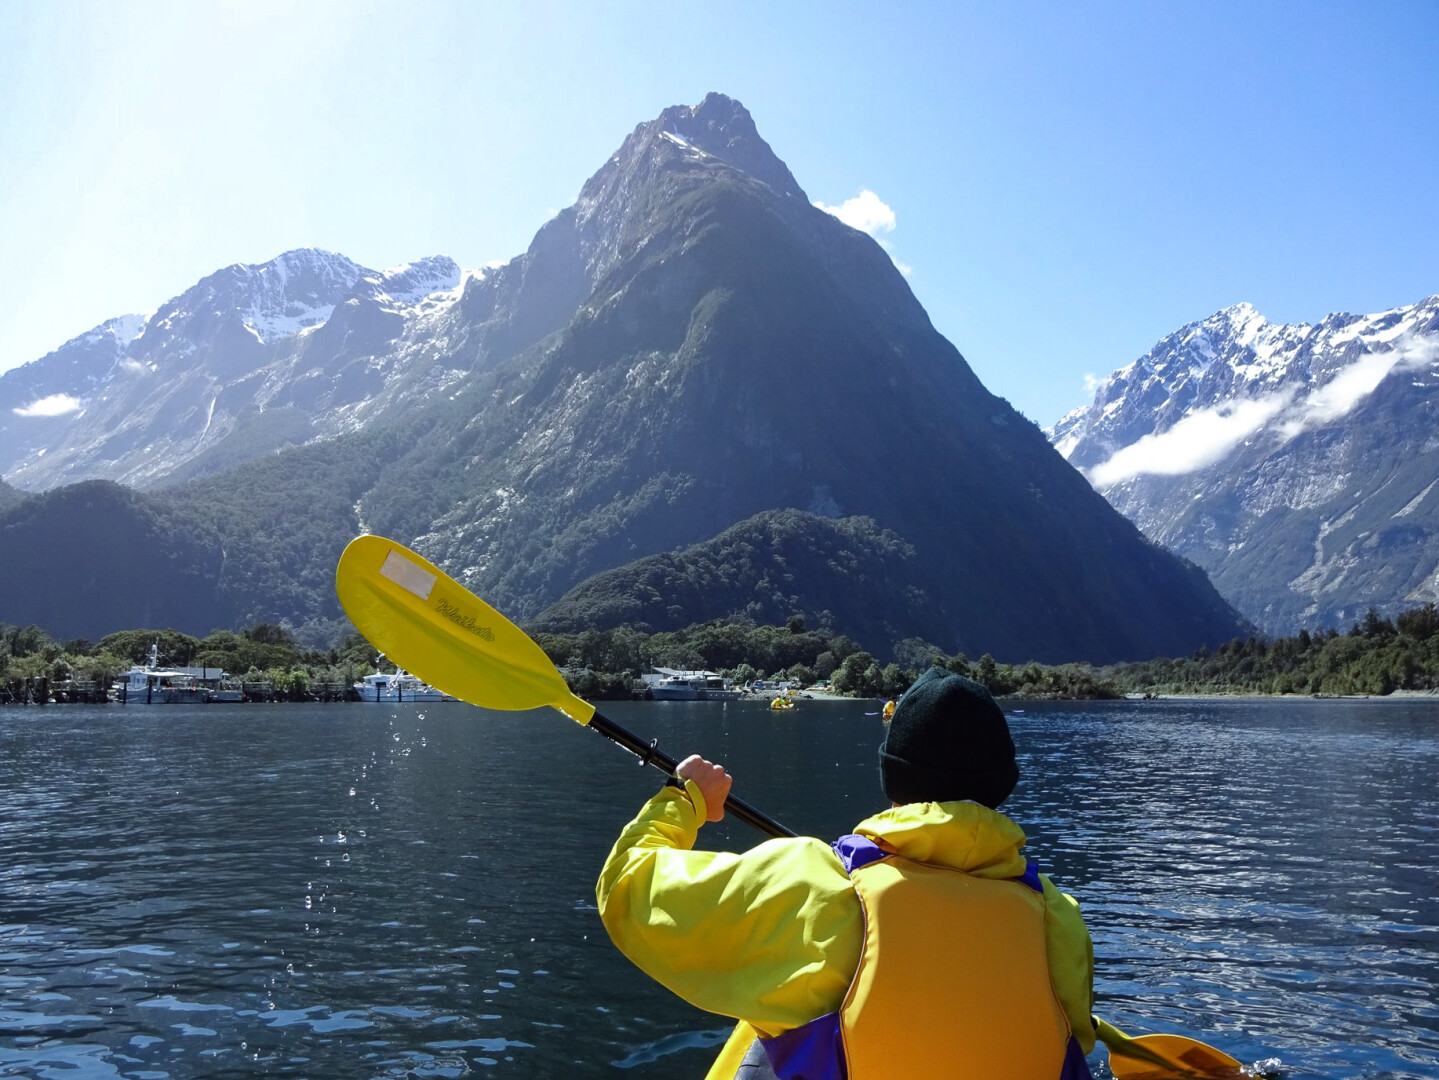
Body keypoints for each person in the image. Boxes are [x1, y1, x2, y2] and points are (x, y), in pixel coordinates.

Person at [595, 666, 1096, 1079]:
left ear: (891, 777)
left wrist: (685, 800)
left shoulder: (813, 886)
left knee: (770, 1024)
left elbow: (627, 888)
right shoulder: (1059, 921)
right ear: (1001, 788)